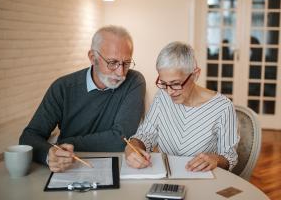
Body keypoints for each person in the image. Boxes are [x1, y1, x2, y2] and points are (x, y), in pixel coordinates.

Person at [19, 25, 146, 172]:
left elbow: (122, 139)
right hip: (70, 168)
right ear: (93, 58)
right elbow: (29, 137)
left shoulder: (134, 81)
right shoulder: (63, 87)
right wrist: (50, 155)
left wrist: (64, 142)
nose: (121, 72)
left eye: (126, 63)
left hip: (118, 166)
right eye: (112, 63)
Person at [124, 41, 239, 172]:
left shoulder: (223, 107)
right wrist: (132, 145)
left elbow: (230, 157)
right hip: (165, 177)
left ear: (195, 75)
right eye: (163, 83)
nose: (169, 91)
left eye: (175, 83)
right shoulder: (162, 96)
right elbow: (146, 134)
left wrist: (216, 160)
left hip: (201, 179)